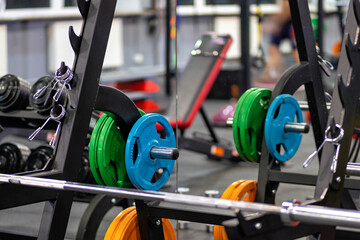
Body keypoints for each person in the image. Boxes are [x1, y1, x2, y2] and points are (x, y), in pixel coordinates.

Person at [258, 0, 299, 83]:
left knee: (298, 51)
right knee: (273, 48)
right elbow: (284, 11)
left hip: (292, 23)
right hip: (284, 24)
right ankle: (270, 73)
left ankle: (305, 74)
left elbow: (288, 11)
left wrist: (275, 22)